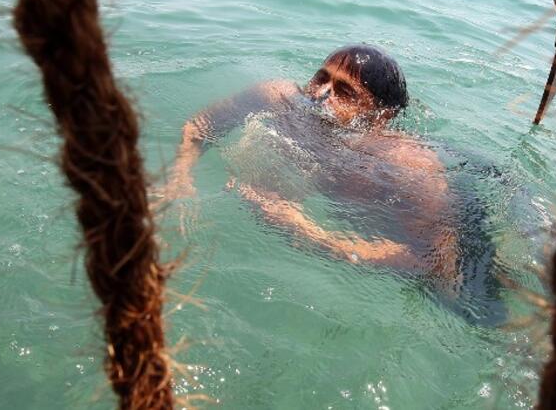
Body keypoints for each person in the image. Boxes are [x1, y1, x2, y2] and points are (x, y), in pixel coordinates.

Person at [164, 44, 505, 324]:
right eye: (321, 78)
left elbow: (431, 261)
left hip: (457, 245)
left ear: (381, 116)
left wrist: (309, 234)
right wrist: (180, 176)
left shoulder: (404, 163)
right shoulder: (277, 96)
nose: (322, 94)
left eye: (345, 91)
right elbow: (201, 126)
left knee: (484, 318)